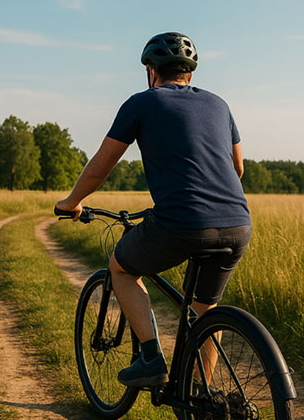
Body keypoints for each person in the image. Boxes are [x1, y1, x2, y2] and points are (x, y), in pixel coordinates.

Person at [55, 32, 251, 388]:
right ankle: (199, 397)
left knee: (121, 268)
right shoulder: (219, 105)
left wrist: (71, 202)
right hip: (238, 223)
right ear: (189, 74)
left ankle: (151, 358)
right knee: (205, 309)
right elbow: (237, 169)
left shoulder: (142, 103)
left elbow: (101, 165)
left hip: (181, 222)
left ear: (151, 71)